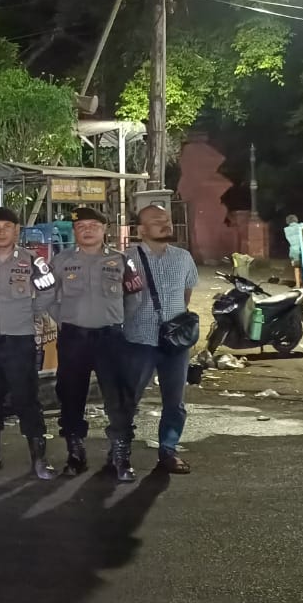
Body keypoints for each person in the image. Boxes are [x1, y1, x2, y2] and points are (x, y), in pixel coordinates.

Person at [48, 206, 144, 480]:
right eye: (81, 226)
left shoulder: (121, 260)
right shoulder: (60, 261)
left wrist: (115, 320)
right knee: (70, 396)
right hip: (73, 338)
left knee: (118, 398)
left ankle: (121, 456)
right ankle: (75, 454)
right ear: (74, 231)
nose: (87, 230)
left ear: (104, 230)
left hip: (110, 338)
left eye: (93, 226)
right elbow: (48, 297)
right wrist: (65, 320)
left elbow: (134, 298)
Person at [0, 206, 57, 480]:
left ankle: (39, 459)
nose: (1, 232)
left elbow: (48, 291)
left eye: (7, 227)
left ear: (16, 230)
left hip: (20, 342)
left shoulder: (33, 261)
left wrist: (29, 312)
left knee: (26, 399)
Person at [122, 203, 200, 475]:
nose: (165, 224)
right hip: (138, 340)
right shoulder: (126, 259)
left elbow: (186, 296)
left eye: (167, 219)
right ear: (141, 230)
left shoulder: (183, 258)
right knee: (129, 399)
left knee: (175, 402)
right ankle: (119, 451)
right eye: (157, 221)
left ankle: (168, 450)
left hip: (175, 343)